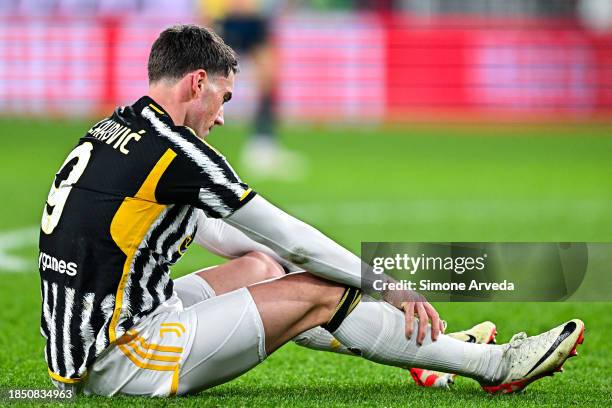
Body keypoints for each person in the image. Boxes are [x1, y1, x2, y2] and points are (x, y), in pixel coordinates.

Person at [39, 24, 584, 397]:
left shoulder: (120, 126)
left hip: (90, 330)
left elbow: (210, 227)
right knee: (321, 288)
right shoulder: (180, 153)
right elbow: (290, 236)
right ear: (197, 82)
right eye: (224, 100)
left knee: (262, 266)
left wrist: (281, 260)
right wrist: (384, 284)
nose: (223, 118)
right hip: (120, 358)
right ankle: (493, 367)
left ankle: (418, 350)